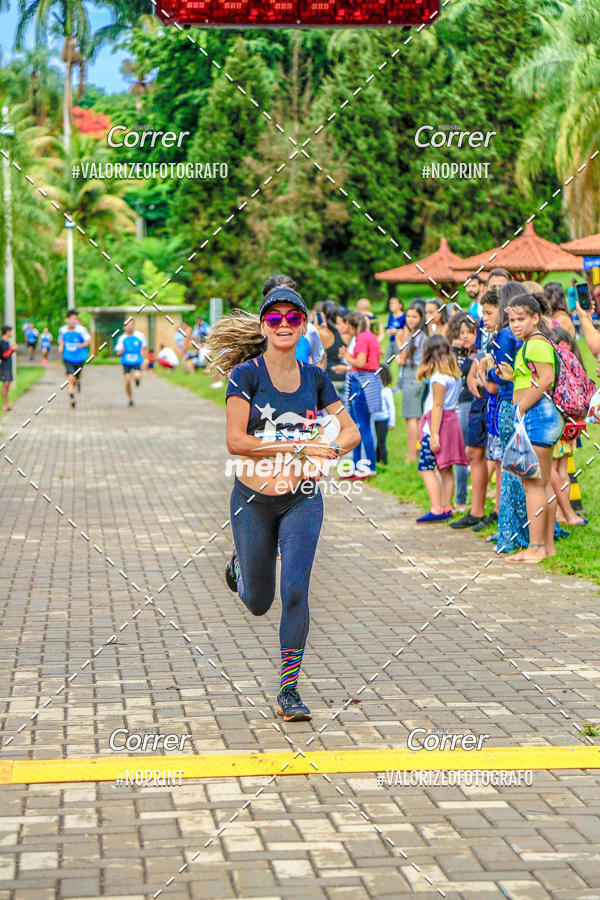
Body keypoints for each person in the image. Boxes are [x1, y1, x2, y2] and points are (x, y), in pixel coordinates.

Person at [209, 284, 360, 722]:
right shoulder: (247, 376)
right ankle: (241, 564)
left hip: (302, 500)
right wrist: (293, 446)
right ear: (263, 326)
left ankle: (288, 691)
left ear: (304, 325)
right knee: (258, 600)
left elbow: (348, 431)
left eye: (292, 318)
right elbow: (236, 441)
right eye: (274, 319)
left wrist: (327, 451)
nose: (283, 326)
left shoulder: (315, 377)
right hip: (253, 500)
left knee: (295, 590)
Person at [497, 294, 563, 563]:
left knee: (533, 484)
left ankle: (535, 547)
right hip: (539, 416)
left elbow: (546, 378)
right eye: (512, 320)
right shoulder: (531, 344)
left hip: (536, 416)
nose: (515, 324)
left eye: (521, 319)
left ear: (536, 318)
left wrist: (521, 408)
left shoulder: (535, 343)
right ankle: (546, 547)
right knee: (543, 483)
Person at [479, 282, 527, 553]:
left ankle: (508, 531)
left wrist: (486, 369)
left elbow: (498, 378)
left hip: (508, 401)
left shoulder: (504, 335)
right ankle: (523, 527)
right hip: (522, 401)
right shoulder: (525, 333)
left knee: (510, 470)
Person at [450, 289, 499, 530]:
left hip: (494, 397)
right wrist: (473, 373)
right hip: (476, 397)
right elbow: (480, 355)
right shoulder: (485, 331)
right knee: (473, 452)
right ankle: (476, 510)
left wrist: (483, 374)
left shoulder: (507, 334)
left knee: (497, 458)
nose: (485, 315)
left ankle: (499, 511)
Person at [415, 334, 467, 523]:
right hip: (451, 421)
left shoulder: (438, 378)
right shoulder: (454, 375)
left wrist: (434, 434)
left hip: (437, 425)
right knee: (446, 469)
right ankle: (446, 507)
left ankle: (437, 507)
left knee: (426, 467)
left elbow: (437, 406)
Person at [548, 327, 588, 527]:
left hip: (553, 422)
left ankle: (559, 514)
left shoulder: (551, 359)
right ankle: (565, 514)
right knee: (562, 470)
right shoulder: (573, 359)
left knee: (551, 470)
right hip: (570, 423)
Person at [339, 312, 382, 477]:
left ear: (351, 326)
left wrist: (346, 357)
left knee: (361, 426)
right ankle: (359, 465)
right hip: (367, 381)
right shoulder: (370, 336)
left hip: (362, 381)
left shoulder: (362, 338)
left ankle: (368, 466)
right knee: (360, 426)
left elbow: (361, 362)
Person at [448, 313, 478, 511]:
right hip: (454, 405)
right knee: (460, 453)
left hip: (470, 404)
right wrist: (453, 350)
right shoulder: (455, 354)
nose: (465, 336)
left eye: (470, 332)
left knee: (465, 452)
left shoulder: (478, 355)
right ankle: (460, 498)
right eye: (462, 332)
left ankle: (462, 499)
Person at [396, 302, 428, 462]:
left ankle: (411, 456)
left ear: (421, 318)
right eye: (408, 316)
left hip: (412, 376)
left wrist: (398, 354)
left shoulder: (419, 336)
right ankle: (415, 453)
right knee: (415, 416)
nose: (410, 319)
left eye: (414, 316)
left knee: (411, 417)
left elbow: (404, 359)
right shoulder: (417, 334)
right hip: (417, 376)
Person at [58, 310, 91, 408]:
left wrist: (82, 345)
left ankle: (78, 382)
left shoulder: (81, 330)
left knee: (76, 377)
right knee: (70, 378)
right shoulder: (63, 330)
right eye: (71, 319)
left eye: (75, 319)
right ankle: (72, 397)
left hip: (79, 357)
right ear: (67, 319)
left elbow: (88, 340)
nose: (73, 321)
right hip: (68, 357)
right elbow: (61, 340)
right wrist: (60, 347)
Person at [115, 319, 147, 406]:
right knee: (127, 381)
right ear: (124, 327)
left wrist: (144, 360)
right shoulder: (122, 338)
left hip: (137, 361)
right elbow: (118, 352)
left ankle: (137, 380)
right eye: (127, 325)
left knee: (137, 375)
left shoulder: (140, 336)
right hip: (126, 362)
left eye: (131, 325)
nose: (129, 327)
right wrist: (122, 350)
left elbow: (144, 348)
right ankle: (130, 398)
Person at [372, 364, 395, 464]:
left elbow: (391, 407)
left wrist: (391, 422)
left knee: (381, 442)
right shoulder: (372, 391)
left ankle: (384, 461)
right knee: (375, 441)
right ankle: (376, 460)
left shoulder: (387, 391)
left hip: (383, 420)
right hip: (373, 419)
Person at [0, 325, 17, 411]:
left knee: (8, 385)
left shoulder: (7, 342)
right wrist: (11, 349)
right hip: (4, 367)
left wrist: (12, 349)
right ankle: (4, 405)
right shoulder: (2, 342)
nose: (12, 333)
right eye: (10, 331)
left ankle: (7, 404)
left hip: (8, 366)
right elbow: (3, 355)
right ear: (7, 332)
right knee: (5, 385)